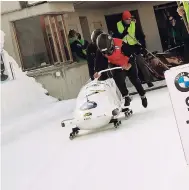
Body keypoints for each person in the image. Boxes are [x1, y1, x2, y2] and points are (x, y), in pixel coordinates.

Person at [96, 33, 148, 108]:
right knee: (118, 80)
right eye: (105, 52)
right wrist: (97, 71)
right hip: (115, 65)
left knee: (134, 79)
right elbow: (98, 62)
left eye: (109, 50)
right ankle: (126, 96)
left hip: (127, 62)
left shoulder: (121, 44)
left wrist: (129, 65)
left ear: (112, 44)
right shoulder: (101, 50)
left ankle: (142, 95)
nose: (108, 53)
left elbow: (132, 55)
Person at [86, 29, 132, 107]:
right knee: (101, 80)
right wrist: (93, 74)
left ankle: (125, 95)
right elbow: (90, 63)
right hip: (99, 66)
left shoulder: (110, 43)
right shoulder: (90, 48)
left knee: (115, 77)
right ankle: (103, 100)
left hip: (110, 62)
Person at [116, 10, 154, 88]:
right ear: (123, 19)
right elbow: (117, 37)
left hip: (134, 46)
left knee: (142, 63)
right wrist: (123, 33)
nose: (129, 20)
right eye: (127, 19)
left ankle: (148, 81)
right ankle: (137, 84)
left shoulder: (133, 24)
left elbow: (140, 35)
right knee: (131, 67)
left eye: (130, 19)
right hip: (125, 48)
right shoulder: (118, 25)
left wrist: (142, 45)